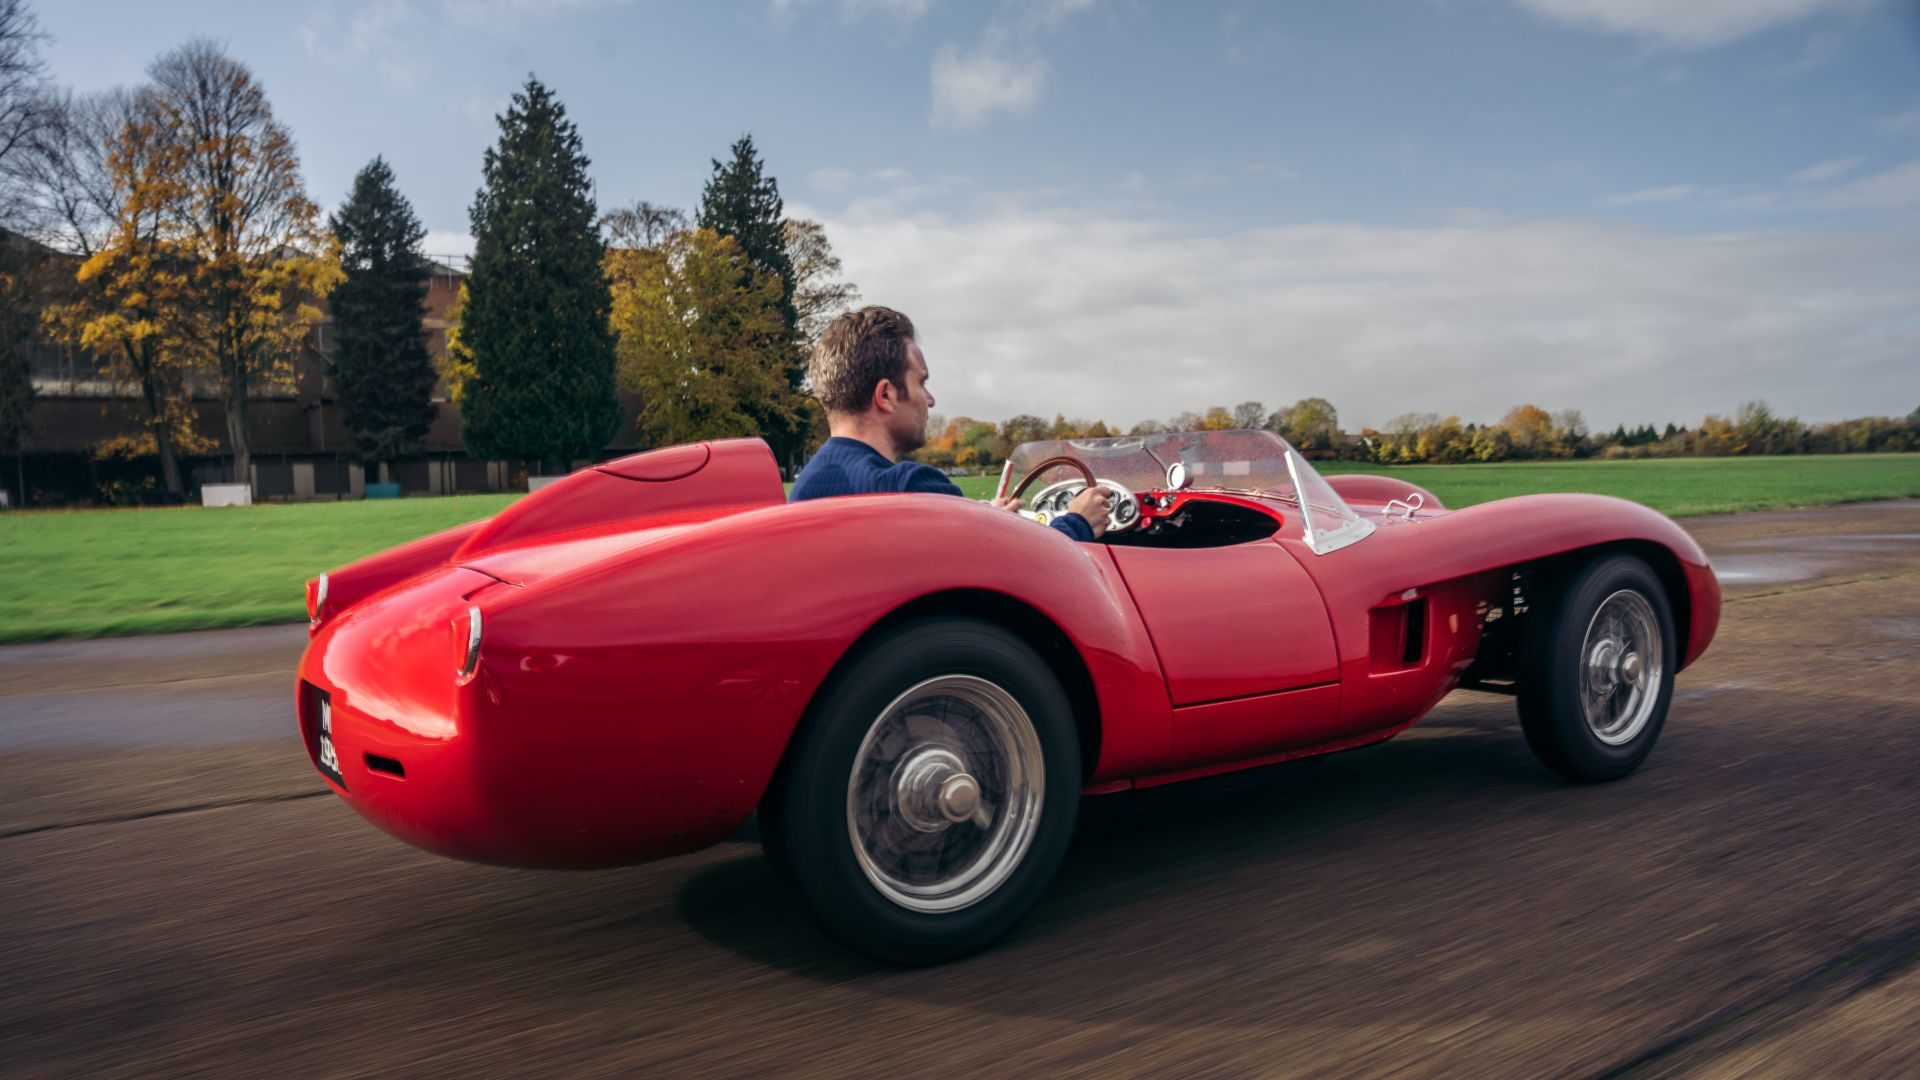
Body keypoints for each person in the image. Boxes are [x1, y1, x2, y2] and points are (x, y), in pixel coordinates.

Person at [791, 306, 1112, 540]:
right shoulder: (911, 488)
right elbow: (1027, 575)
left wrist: (983, 519)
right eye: (922, 383)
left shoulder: (803, 493)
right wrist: (1078, 523)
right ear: (886, 395)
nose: (930, 400)